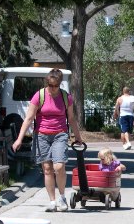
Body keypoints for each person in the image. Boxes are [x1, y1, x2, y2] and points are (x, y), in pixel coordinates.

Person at [12, 68, 83, 212]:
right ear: (47, 83)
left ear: (60, 84)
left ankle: (62, 197)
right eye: (50, 85)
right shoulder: (39, 96)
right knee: (47, 169)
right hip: (42, 135)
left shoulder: (66, 97)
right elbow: (29, 118)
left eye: (56, 86)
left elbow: (71, 119)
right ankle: (52, 201)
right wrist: (19, 139)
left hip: (60, 134)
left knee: (59, 166)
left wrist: (78, 137)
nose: (53, 88)